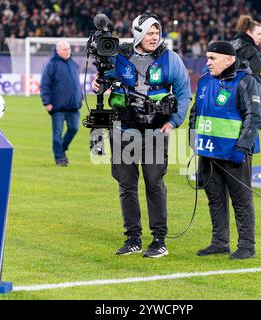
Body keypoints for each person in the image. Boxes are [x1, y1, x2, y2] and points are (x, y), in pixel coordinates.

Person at [92, 13, 191, 258]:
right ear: (138, 33)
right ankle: (133, 238)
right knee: (126, 186)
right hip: (123, 131)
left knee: (154, 185)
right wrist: (98, 84)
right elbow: (104, 80)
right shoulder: (120, 56)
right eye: (149, 32)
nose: (154, 36)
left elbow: (184, 93)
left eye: (157, 32)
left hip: (155, 133)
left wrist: (173, 122)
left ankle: (159, 240)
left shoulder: (171, 58)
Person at [189, 41, 261, 259]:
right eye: (207, 57)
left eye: (213, 58)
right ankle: (220, 242)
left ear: (229, 60)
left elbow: (255, 117)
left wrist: (241, 148)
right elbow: (195, 113)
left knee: (241, 201)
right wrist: (194, 141)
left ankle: (247, 246)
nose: (208, 62)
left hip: (234, 154)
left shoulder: (246, 82)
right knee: (215, 199)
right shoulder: (204, 82)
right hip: (208, 152)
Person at [40, 40, 83, 166]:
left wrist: (80, 98)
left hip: (73, 106)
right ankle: (59, 158)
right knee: (57, 133)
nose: (68, 51)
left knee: (74, 128)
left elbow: (76, 84)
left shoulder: (73, 64)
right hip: (57, 107)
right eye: (65, 49)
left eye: (69, 48)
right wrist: (46, 102)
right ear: (58, 50)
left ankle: (62, 149)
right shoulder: (51, 64)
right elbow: (45, 85)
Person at [230, 15, 261, 118]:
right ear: (248, 32)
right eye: (259, 34)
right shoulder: (252, 52)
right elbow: (254, 80)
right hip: (242, 101)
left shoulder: (229, 46)